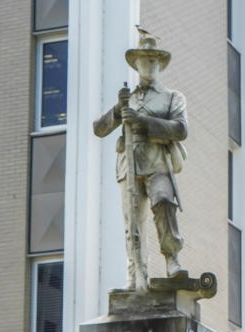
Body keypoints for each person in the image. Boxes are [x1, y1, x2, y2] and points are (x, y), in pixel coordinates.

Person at [92, 29, 188, 288]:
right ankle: (136, 275)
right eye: (145, 60)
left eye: (154, 59)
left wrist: (143, 121)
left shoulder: (172, 97)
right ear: (136, 64)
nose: (150, 64)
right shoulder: (128, 98)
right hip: (129, 166)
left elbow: (180, 129)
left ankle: (172, 258)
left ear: (160, 64)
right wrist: (117, 109)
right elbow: (99, 129)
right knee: (132, 224)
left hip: (158, 163)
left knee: (165, 202)